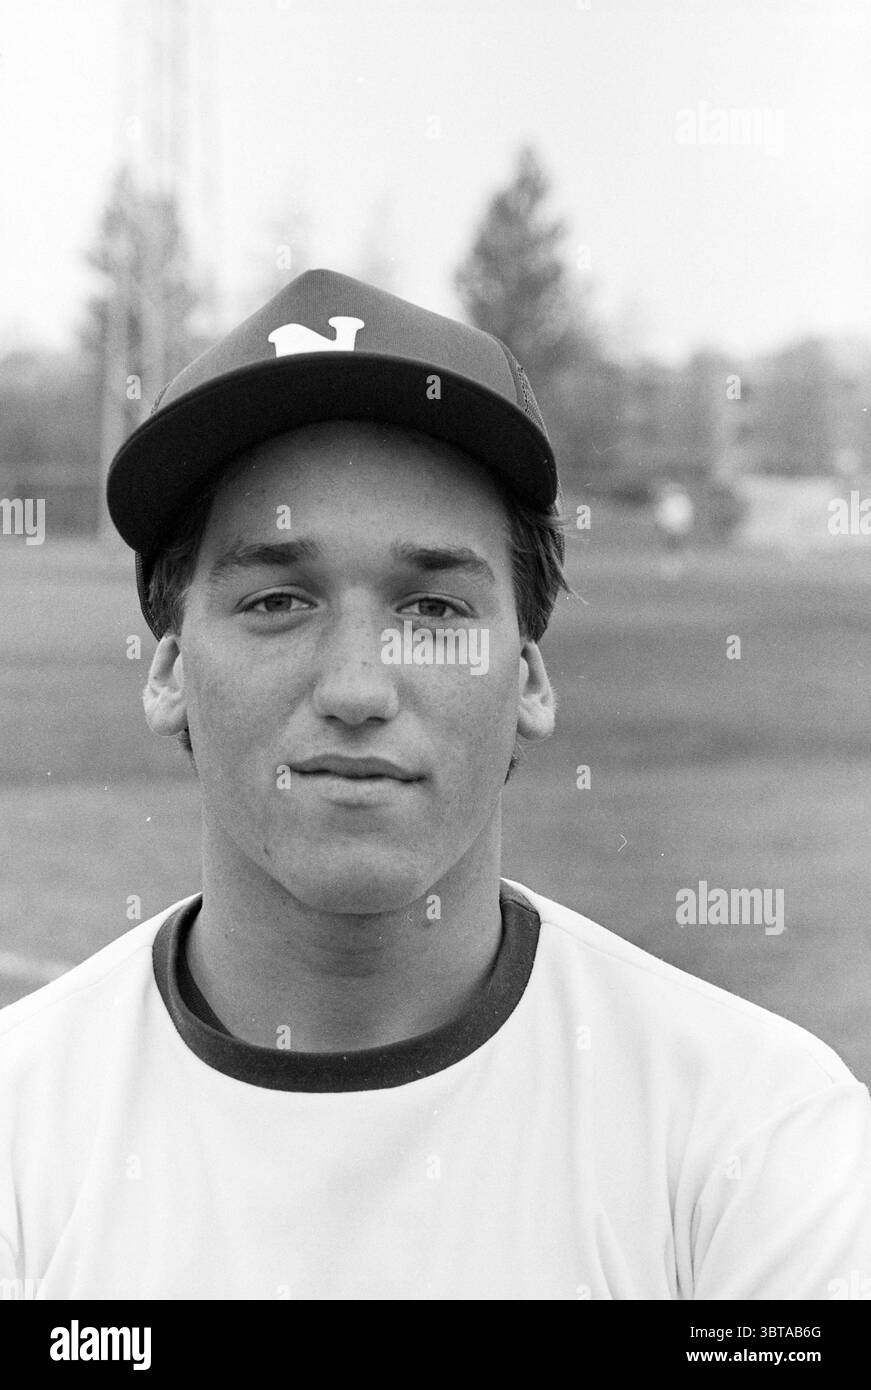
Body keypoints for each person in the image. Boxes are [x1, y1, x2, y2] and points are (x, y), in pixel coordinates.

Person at [1, 269, 868, 1300]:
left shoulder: (749, 1137)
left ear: (530, 679)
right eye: (278, 598)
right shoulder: (20, 1137)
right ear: (168, 671)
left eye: (438, 612)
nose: (359, 686)